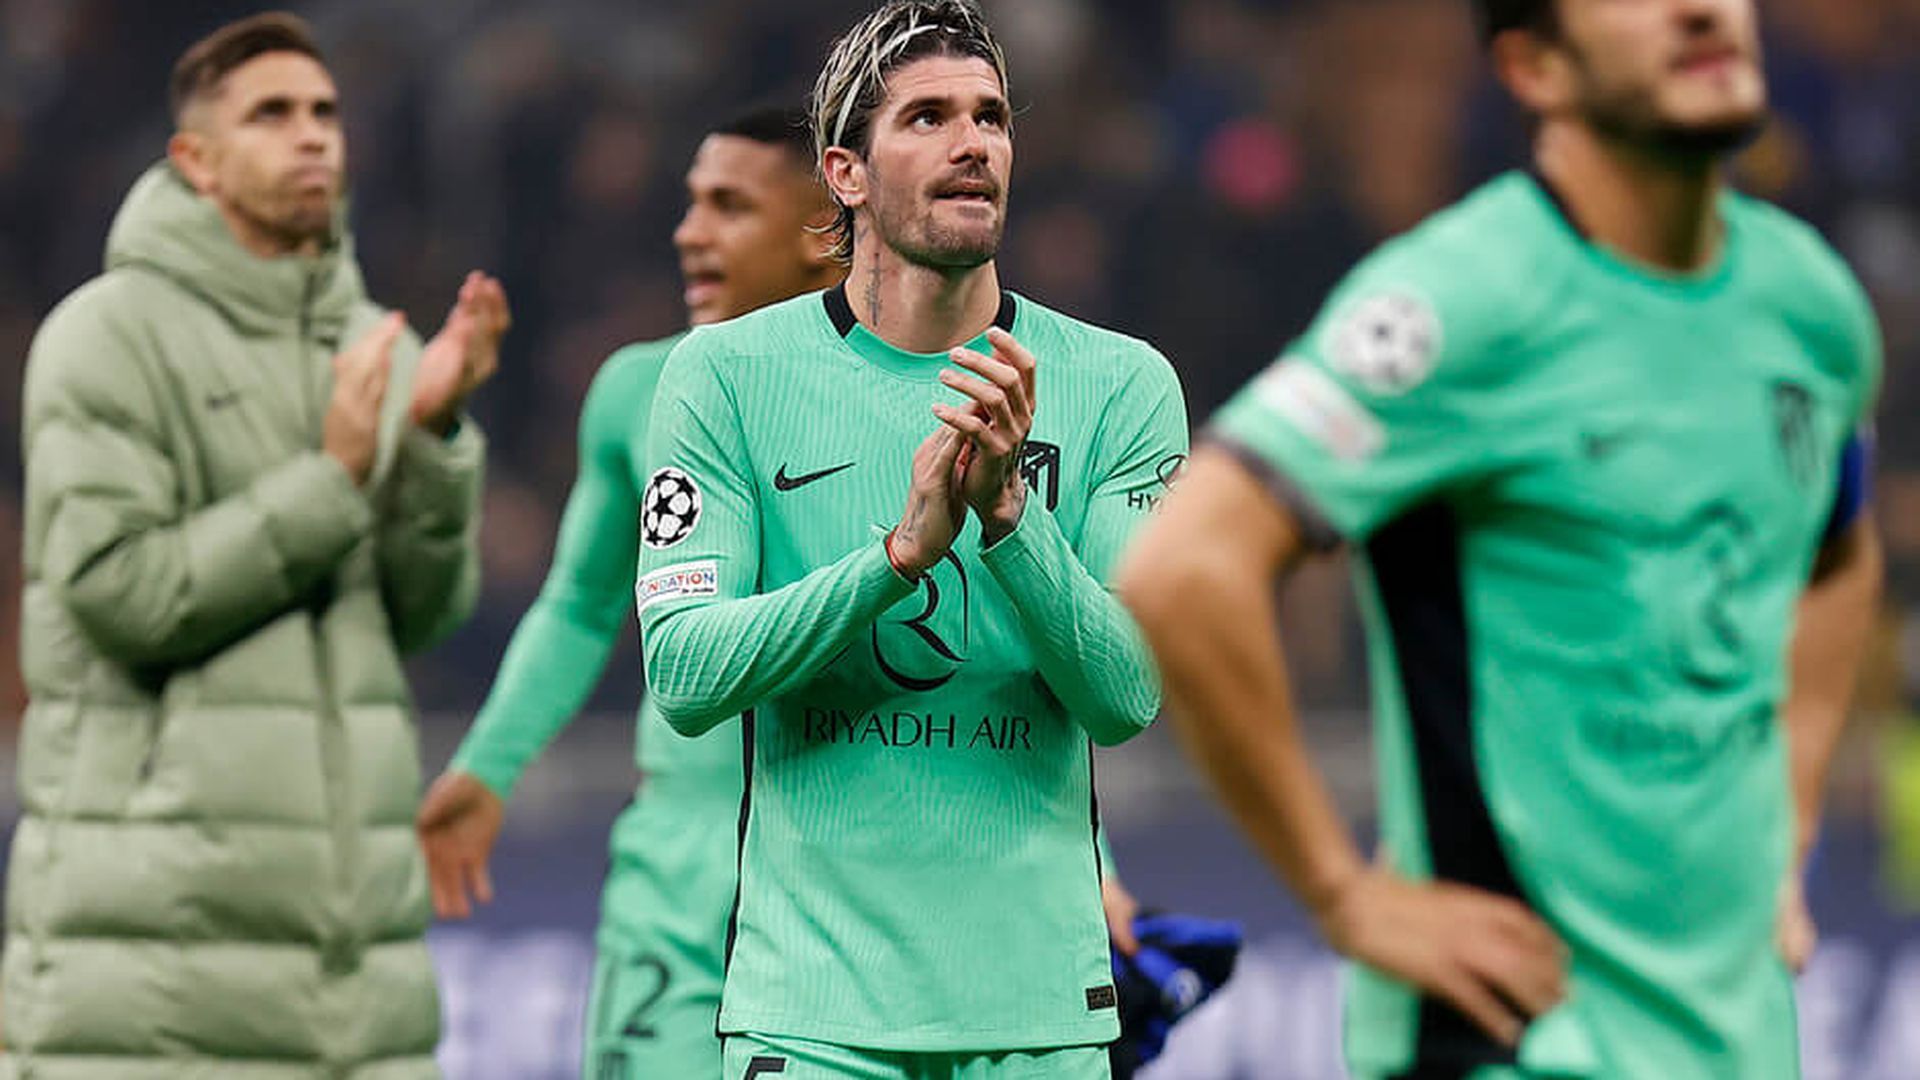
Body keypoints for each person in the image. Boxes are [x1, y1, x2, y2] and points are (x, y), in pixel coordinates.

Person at [1118, 0, 1881, 1077]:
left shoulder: (1810, 306)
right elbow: (1183, 567)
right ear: (1535, 67)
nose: (1705, 9)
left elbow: (1841, 552)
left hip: (1744, 1043)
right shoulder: (1463, 302)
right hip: (1517, 1039)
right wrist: (1344, 895)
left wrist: (1791, 830)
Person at [635, 3, 1187, 1077]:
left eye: (989, 117)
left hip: (1039, 1016)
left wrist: (1010, 526)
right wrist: (895, 561)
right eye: (926, 117)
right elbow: (686, 674)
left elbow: (1127, 697)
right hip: (812, 1011)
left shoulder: (1122, 384)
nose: (971, 141)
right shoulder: (725, 377)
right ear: (843, 174)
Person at [5, 13, 504, 1077]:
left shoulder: (379, 343)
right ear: (195, 159)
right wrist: (329, 479)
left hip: (354, 989)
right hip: (153, 990)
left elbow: (422, 613)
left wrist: (430, 439)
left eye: (324, 112)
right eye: (270, 114)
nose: (312, 135)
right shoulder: (107, 338)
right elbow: (123, 594)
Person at [414, 105, 843, 1080]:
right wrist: (488, 766)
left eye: (729, 206)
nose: (690, 231)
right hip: (676, 866)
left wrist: (1095, 870)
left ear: (824, 232)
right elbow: (578, 604)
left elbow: (984, 663)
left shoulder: (906, 398)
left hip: (842, 868)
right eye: (692, 203)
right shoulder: (633, 393)